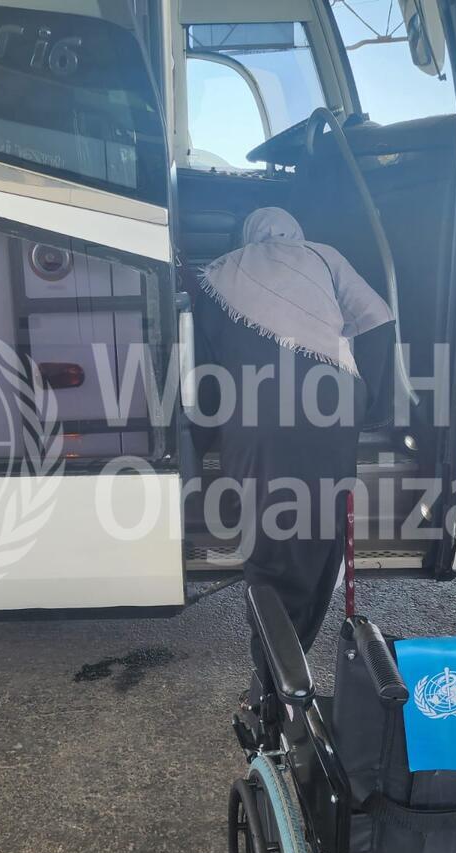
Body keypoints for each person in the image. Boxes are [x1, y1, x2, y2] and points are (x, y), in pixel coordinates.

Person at [193, 207, 395, 670]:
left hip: (258, 410)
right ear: (296, 232)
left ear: (246, 235)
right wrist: (373, 404)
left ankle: (275, 668)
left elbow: (205, 372)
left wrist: (200, 440)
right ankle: (293, 652)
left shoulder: (219, 272)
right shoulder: (324, 256)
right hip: (333, 402)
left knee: (270, 533)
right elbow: (378, 317)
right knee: (320, 523)